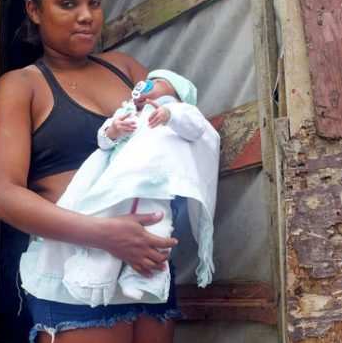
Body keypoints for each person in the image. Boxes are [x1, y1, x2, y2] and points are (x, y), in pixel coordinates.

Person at [0, 0, 179, 343]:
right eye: (68, 3)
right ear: (34, 10)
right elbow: (2, 195)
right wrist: (104, 235)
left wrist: (173, 107)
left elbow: (173, 134)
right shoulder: (23, 85)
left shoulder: (127, 69)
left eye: (94, 2)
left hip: (147, 270)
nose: (86, 16)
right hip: (76, 271)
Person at [24, 70, 218, 307]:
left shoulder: (179, 109)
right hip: (120, 182)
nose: (147, 84)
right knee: (109, 222)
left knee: (156, 226)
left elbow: (195, 128)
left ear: (177, 91)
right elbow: (103, 140)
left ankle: (146, 280)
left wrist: (169, 116)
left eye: (156, 82)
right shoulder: (127, 111)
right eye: (146, 81)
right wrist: (114, 129)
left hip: (154, 185)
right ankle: (96, 279)